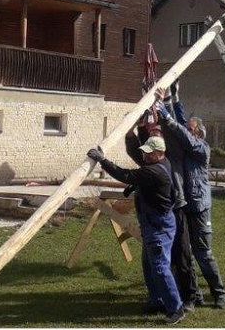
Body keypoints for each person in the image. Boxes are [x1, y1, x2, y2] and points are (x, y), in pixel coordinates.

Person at [88, 137, 185, 325]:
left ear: (160, 153)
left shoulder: (154, 170)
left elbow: (125, 175)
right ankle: (157, 301)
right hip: (152, 224)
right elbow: (144, 181)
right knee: (149, 265)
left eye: (149, 153)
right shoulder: (161, 164)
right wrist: (135, 186)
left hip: (159, 226)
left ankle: (176, 308)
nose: (145, 155)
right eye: (145, 152)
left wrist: (102, 160)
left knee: (159, 267)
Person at [157, 103, 225, 309]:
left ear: (198, 133)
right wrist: (170, 102)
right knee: (186, 254)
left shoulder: (201, 148)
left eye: (190, 128)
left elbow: (182, 133)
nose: (186, 130)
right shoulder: (184, 148)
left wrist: (168, 118)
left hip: (199, 207)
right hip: (183, 206)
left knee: (203, 253)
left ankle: (219, 293)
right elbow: (179, 128)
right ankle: (195, 295)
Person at [150, 88, 200, 311]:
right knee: (163, 256)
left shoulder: (179, 150)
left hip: (177, 205)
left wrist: (165, 103)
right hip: (162, 208)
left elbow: (175, 128)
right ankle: (166, 296)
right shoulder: (157, 154)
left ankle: (190, 296)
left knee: (182, 254)